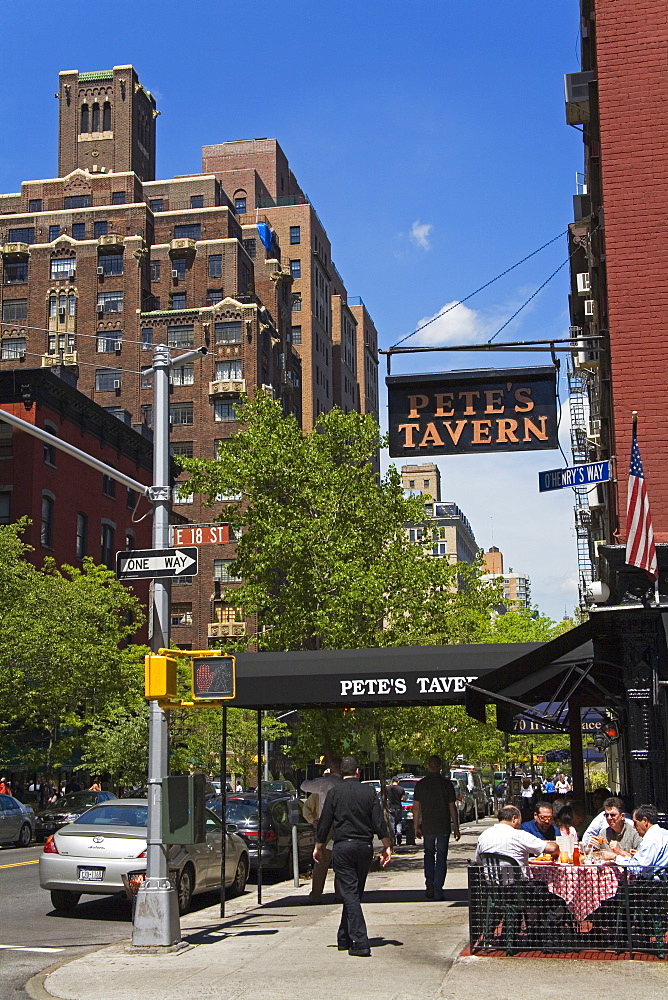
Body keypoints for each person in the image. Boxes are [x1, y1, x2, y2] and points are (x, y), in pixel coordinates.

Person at [315, 755, 391, 957]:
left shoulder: (335, 792)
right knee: (353, 893)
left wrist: (318, 845)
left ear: (341, 773)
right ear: (358, 771)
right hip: (364, 847)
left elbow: (325, 822)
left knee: (350, 894)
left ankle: (360, 941)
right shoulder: (369, 791)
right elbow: (378, 821)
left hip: (343, 847)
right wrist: (386, 845)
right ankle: (344, 937)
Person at [413, 755, 460, 900]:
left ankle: (430, 885)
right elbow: (452, 807)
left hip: (428, 826)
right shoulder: (447, 785)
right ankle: (438, 889)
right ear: (440, 766)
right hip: (442, 826)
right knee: (441, 857)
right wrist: (456, 826)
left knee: (428, 855)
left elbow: (416, 808)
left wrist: (416, 826)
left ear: (428, 766)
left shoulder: (421, 784)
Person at [475, 805, 559, 875]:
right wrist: (555, 844)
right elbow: (552, 848)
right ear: (514, 818)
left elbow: (479, 862)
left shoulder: (483, 836)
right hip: (518, 888)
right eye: (520, 820)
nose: (520, 825)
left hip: (492, 888)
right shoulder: (520, 835)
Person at [301, 761, 343, 903]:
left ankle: (316, 895)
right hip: (344, 825)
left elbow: (304, 786)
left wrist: (320, 778)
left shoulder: (325, 783)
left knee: (321, 860)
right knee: (341, 861)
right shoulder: (347, 784)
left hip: (327, 824)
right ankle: (340, 894)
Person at [612, 804, 668, 871]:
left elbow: (638, 868)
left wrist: (615, 857)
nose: (634, 827)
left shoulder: (651, 839)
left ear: (645, 821)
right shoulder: (664, 833)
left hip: (655, 879)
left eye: (635, 823)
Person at [387, 778, 406, 845]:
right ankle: (399, 834)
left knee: (392, 823)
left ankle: (393, 839)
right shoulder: (401, 789)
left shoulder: (388, 788)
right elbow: (404, 799)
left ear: (392, 782)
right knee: (398, 822)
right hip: (398, 807)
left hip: (391, 807)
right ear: (398, 782)